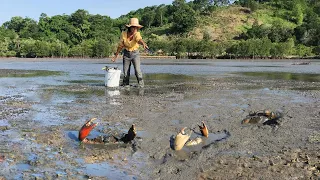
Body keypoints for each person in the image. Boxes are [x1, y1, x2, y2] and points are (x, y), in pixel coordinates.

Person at [111, 18, 148, 88]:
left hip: (135, 54)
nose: (135, 29)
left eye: (136, 27)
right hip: (126, 54)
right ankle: (126, 85)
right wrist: (115, 56)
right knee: (125, 72)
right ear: (130, 27)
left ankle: (141, 85)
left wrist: (143, 43)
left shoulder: (137, 34)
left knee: (137, 71)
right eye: (133, 27)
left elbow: (139, 39)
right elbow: (120, 46)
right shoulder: (124, 34)